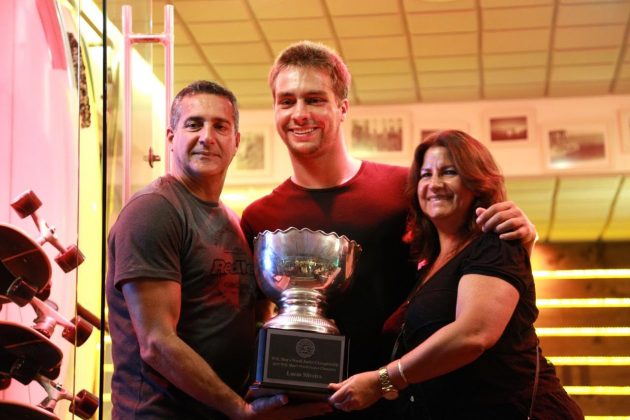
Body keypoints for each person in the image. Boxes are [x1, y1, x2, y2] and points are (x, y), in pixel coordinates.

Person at [240, 41, 537, 418]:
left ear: (342, 107)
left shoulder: (405, 191)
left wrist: (521, 236)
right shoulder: (260, 217)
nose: (299, 113)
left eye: (314, 99)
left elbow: (467, 257)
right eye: (286, 101)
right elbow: (253, 323)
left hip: (400, 401)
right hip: (305, 409)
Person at [106, 80, 331, 419]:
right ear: (171, 138)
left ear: (236, 141)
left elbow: (251, 320)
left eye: (220, 126)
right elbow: (156, 342)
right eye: (194, 124)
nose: (207, 137)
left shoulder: (232, 222)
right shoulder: (154, 210)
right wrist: (237, 408)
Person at [328, 130, 584, 419]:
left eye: (449, 172)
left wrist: (382, 380)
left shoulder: (494, 243)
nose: (434, 184)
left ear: (476, 183)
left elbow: (473, 334)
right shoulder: (426, 266)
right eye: (426, 175)